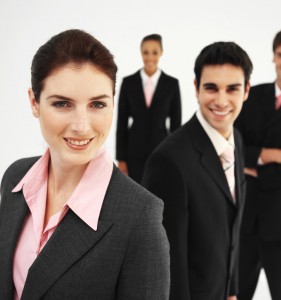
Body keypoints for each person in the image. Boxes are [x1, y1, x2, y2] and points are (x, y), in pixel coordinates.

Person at [0, 29, 170, 300]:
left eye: (97, 105)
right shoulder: (14, 178)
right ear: (34, 102)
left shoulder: (140, 217)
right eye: (63, 103)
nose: (81, 126)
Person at [142, 42, 252, 300]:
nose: (221, 101)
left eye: (232, 89)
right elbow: (164, 261)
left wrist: (232, 289)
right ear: (196, 88)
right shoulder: (168, 161)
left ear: (246, 90)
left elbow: (231, 224)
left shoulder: (236, 137)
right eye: (211, 88)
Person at [235, 26, 281, 300]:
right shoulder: (252, 95)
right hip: (244, 218)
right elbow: (230, 145)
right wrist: (268, 155)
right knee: (234, 294)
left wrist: (254, 169)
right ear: (273, 56)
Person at [116, 34, 182, 183]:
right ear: (141, 53)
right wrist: (121, 158)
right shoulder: (128, 83)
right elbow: (121, 122)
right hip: (133, 152)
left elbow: (176, 126)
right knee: (135, 194)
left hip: (162, 150)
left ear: (161, 53)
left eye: (154, 52)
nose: (150, 57)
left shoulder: (172, 84)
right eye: (146, 52)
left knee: (159, 193)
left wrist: (176, 157)